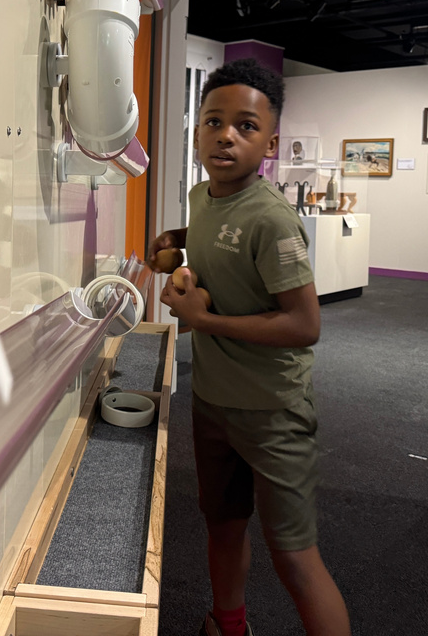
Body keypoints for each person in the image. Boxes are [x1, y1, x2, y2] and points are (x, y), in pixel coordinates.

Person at [147, 58, 350, 636]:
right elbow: (216, 232)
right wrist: (178, 238)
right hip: (213, 401)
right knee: (223, 524)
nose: (226, 136)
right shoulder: (201, 195)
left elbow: (304, 325)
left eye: (245, 126)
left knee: (294, 553)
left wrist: (202, 322)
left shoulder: (273, 220)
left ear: (270, 140)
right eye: (213, 121)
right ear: (197, 130)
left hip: (272, 410)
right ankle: (227, 623)